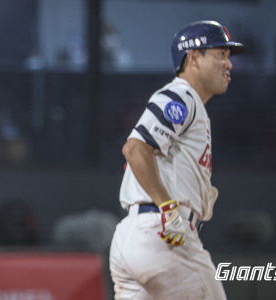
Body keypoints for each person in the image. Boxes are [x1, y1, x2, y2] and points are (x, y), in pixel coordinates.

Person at [109, 21, 245, 299]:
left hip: (135, 235)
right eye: (220, 55)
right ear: (193, 58)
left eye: (228, 57)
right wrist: (168, 207)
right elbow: (135, 149)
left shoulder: (190, 102)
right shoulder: (181, 95)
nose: (228, 65)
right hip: (163, 233)